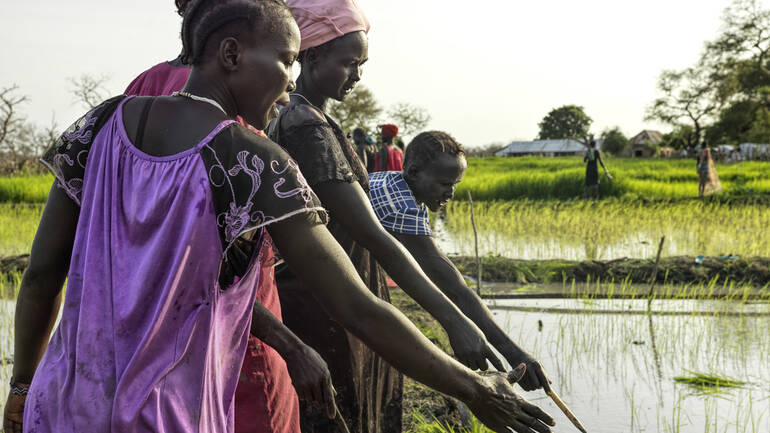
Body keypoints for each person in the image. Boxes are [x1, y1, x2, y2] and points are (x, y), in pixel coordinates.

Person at [3, 1, 554, 433]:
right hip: (171, 417)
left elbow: (42, 277)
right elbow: (358, 307)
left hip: (65, 405)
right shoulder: (250, 159)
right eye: (287, 58)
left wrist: (22, 391)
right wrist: (476, 390)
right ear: (232, 54)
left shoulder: (100, 125)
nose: (292, 79)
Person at [270, 1, 551, 431]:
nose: (358, 75)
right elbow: (377, 238)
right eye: (349, 63)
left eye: (362, 63)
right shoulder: (307, 128)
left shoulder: (309, 120)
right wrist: (454, 322)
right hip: (328, 309)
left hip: (340, 303)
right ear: (310, 55)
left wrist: (500, 343)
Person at [123, 3, 311, 432]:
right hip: (236, 323)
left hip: (149, 333)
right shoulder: (240, 102)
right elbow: (197, 257)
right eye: (288, 61)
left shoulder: (135, 98)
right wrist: (290, 344)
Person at [368, 130, 552, 390]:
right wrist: (515, 354)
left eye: (455, 184)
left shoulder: (393, 183)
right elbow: (452, 285)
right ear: (413, 172)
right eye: (444, 184)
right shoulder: (400, 204)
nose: (451, 192)